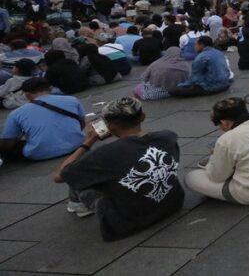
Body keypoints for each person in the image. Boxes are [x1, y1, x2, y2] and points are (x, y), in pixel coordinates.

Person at [54, 97, 184, 239]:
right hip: (172, 205)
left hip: (126, 223)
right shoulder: (167, 136)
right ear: (143, 116)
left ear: (109, 127)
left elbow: (60, 176)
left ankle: (77, 205)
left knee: (79, 175)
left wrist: (88, 141)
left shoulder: (105, 154)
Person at [0, 77, 84, 161]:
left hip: (40, 154)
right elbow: (82, 124)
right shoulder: (72, 100)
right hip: (77, 145)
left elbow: (7, 143)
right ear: (50, 88)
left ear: (27, 94)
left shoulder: (16, 113)